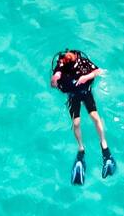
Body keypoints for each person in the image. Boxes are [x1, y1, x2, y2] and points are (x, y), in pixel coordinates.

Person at [49, 49, 115, 185]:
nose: (63, 61)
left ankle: (104, 146)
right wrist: (54, 79)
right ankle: (81, 149)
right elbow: (54, 82)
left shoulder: (83, 62)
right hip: (73, 96)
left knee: (95, 117)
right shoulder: (61, 65)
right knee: (77, 122)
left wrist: (86, 77)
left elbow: (100, 71)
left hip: (85, 92)